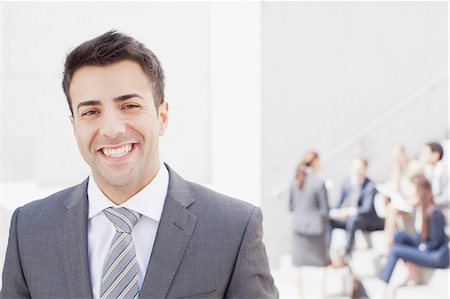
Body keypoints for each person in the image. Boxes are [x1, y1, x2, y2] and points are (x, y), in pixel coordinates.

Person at [1, 31, 278, 299]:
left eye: (129, 106)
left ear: (162, 116)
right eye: (91, 112)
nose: (111, 129)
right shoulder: (29, 229)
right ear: (74, 125)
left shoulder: (234, 227)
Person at [379, 173, 449, 292]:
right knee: (398, 235)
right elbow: (419, 237)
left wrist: (417, 249)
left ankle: (383, 289)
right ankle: (412, 274)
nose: (409, 194)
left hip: (436, 255)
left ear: (419, 192)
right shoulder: (419, 209)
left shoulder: (433, 212)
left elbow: (434, 242)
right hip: (425, 248)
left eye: (412, 191)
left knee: (396, 250)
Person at [329, 157, 384, 266]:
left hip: (367, 220)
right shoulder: (346, 182)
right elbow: (338, 202)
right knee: (329, 221)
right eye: (355, 167)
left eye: (360, 167)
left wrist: (349, 211)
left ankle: (347, 254)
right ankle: (327, 254)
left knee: (353, 220)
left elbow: (366, 209)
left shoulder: (370, 185)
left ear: (364, 169)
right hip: (351, 218)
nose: (357, 170)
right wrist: (333, 213)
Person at [289, 151, 330, 297]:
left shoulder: (295, 181)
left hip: (299, 228)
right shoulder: (318, 182)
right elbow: (325, 210)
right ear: (315, 162)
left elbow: (291, 206)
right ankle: (321, 295)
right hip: (316, 230)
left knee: (297, 266)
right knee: (321, 266)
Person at [420, 142, 448, 210]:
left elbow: (447, 197)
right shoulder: (429, 171)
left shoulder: (446, 171)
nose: (422, 156)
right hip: (435, 208)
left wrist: (431, 201)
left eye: (425, 153)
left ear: (436, 155)